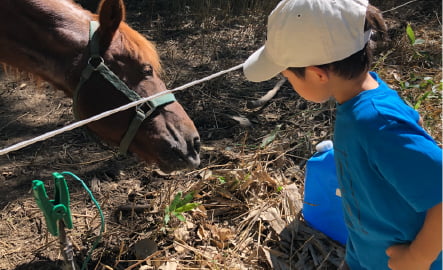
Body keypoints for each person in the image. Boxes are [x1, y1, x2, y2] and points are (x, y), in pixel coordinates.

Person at [242, 0, 442, 269]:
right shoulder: (362, 100)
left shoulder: (375, 121)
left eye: (289, 77)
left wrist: (418, 256)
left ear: (317, 75)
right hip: (366, 253)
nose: (290, 83)